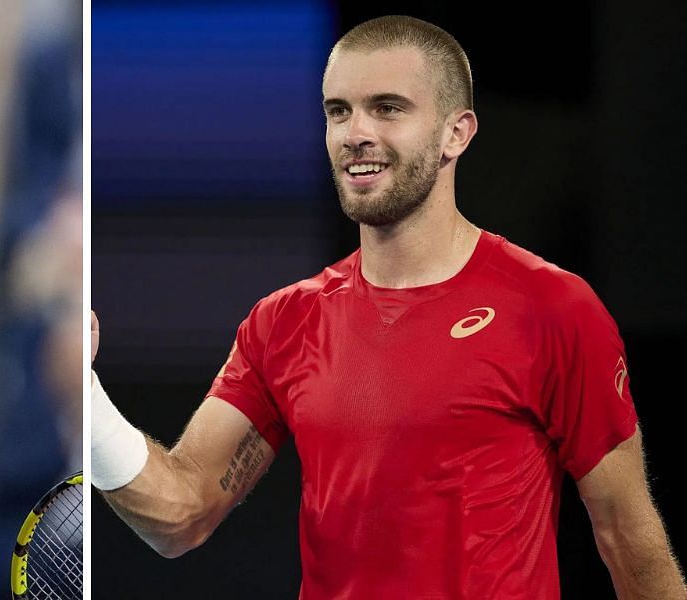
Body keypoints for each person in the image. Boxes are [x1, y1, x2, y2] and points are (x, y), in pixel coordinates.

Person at [90, 15, 686, 599]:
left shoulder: (553, 308)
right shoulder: (282, 323)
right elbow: (181, 514)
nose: (356, 133)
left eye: (389, 108)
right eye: (338, 111)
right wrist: (84, 401)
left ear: (457, 132)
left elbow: (627, 536)